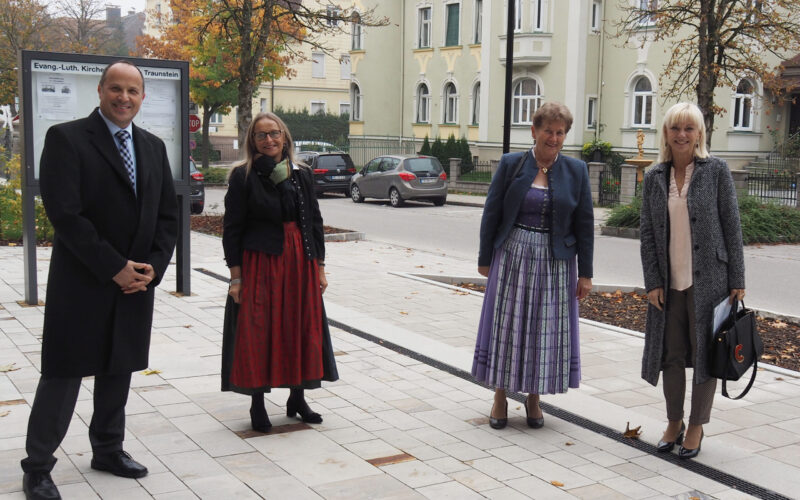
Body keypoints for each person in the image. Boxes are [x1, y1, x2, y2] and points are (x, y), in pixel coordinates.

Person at [21, 60, 178, 500]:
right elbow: (66, 215)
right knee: (63, 374)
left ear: (142, 97)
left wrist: (152, 268)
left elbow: (167, 215)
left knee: (119, 367)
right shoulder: (66, 139)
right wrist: (114, 266)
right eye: (116, 89)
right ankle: (37, 466)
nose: (124, 98)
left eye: (133, 91)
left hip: (135, 284)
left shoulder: (151, 146)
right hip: (84, 281)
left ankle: (107, 448)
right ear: (100, 90)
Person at [472, 102, 594, 430]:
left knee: (544, 329)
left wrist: (586, 273)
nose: (553, 138)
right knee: (507, 326)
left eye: (560, 132)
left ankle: (535, 397)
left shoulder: (576, 171)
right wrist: (485, 258)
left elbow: (584, 223)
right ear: (534, 131)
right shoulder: (513, 164)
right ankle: (499, 395)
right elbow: (492, 211)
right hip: (512, 255)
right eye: (548, 131)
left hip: (556, 262)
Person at [639, 102, 745, 459]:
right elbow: (648, 235)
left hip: (710, 282)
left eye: (689, 128)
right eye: (675, 128)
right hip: (669, 284)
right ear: (666, 133)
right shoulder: (654, 177)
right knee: (671, 355)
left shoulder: (716, 171)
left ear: (699, 133)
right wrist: (652, 281)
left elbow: (732, 226)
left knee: (705, 354)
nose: (681, 135)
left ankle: (696, 425)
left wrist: (737, 279)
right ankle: (673, 421)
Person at [221, 112, 338, 433]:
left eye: (274, 134)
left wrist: (320, 267)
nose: (269, 140)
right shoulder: (243, 176)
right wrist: (236, 277)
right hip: (261, 261)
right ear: (252, 141)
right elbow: (232, 229)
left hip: (299, 260)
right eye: (261, 135)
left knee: (298, 326)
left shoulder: (302, 174)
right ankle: (257, 403)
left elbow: (313, 221)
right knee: (259, 330)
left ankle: (296, 398)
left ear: (285, 137)